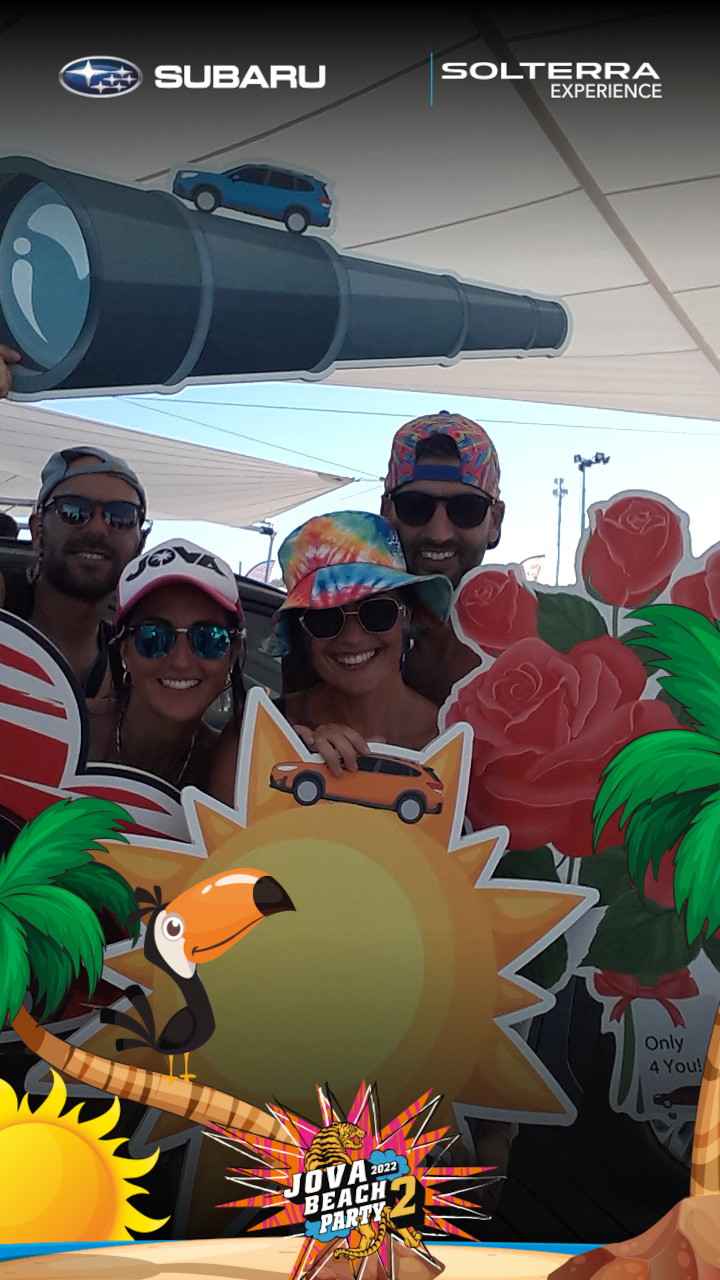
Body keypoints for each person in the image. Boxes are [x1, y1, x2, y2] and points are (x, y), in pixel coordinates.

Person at [210, 511, 453, 804]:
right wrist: (287, 773)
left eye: (377, 612)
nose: (352, 638)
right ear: (303, 633)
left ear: (406, 617)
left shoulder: (453, 739)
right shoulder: (252, 738)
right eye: (325, 619)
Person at [88, 538, 245, 791]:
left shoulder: (235, 769)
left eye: (208, 638)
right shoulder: (66, 728)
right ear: (124, 649)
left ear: (232, 653)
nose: (181, 661)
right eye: (153, 637)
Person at [0, 445, 149, 695]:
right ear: (38, 531)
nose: (97, 529)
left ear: (139, 544)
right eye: (73, 510)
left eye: (121, 516)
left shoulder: (129, 663)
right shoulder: (5, 604)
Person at [381, 410, 504, 705]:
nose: (439, 533)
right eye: (415, 506)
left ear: (495, 521)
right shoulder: (339, 631)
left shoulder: (531, 643)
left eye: (466, 509)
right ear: (386, 513)